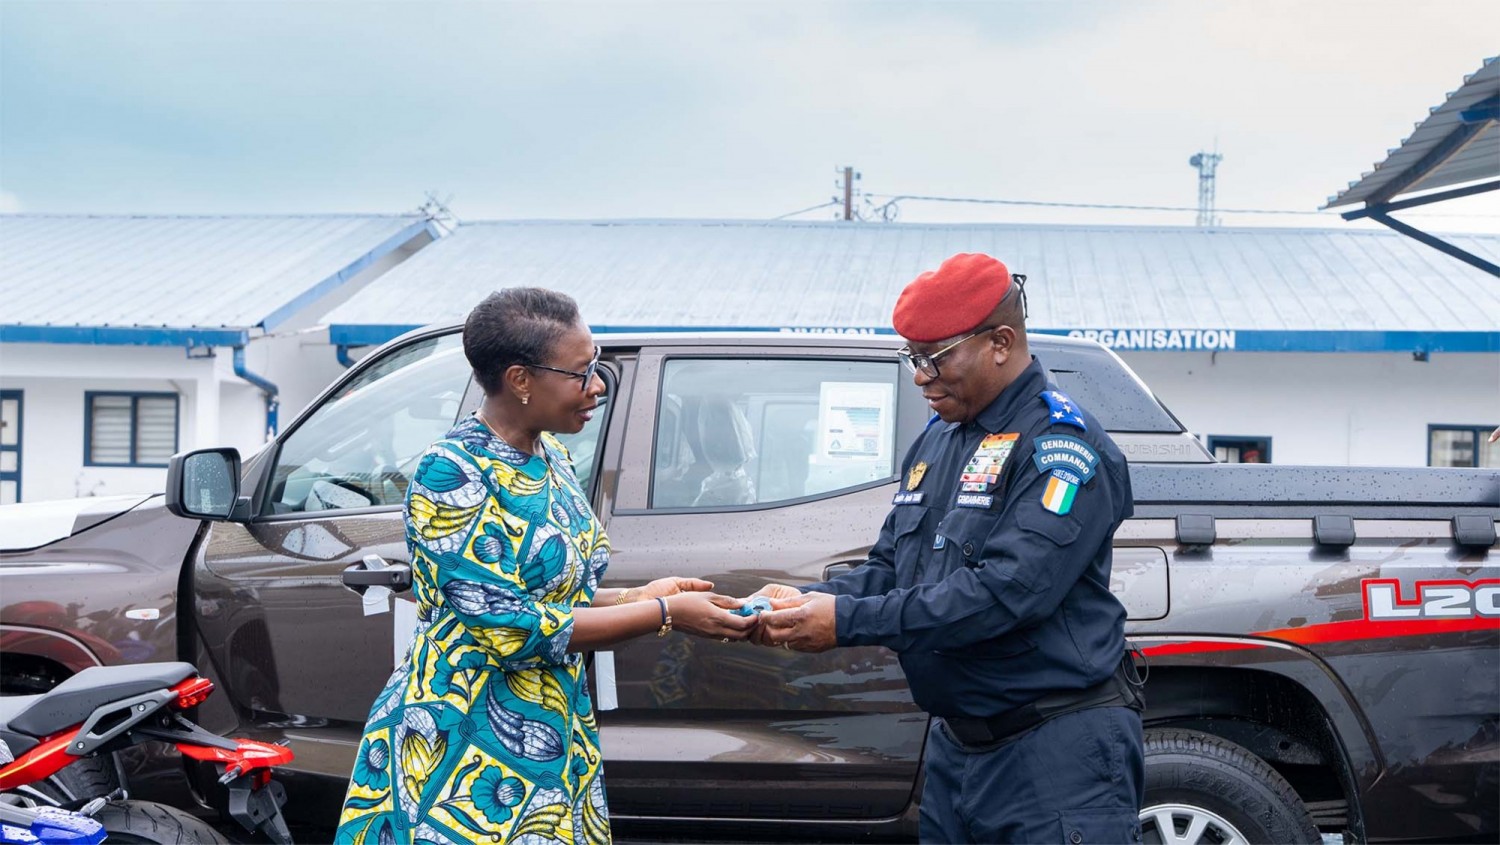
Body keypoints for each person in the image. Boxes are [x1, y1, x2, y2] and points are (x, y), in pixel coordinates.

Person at [336, 288, 756, 845]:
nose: (598, 385)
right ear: (521, 379)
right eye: (582, 372)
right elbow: (512, 626)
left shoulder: (550, 455)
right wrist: (664, 614)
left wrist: (638, 597)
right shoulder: (452, 474)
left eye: (596, 364)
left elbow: (554, 597)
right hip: (467, 740)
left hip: (552, 724)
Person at [755, 253, 1145, 844]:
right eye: (912, 357)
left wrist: (845, 622)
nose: (920, 376)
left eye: (935, 357)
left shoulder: (1061, 446)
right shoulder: (940, 439)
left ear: (1000, 343)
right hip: (956, 751)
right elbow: (892, 568)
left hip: (1055, 753)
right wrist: (801, 602)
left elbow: (1005, 594)